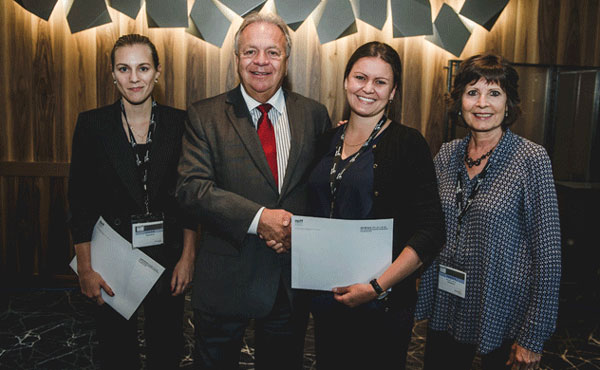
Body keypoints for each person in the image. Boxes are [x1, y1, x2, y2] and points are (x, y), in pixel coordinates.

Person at [176, 12, 331, 370]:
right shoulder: (205, 116)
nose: (261, 62)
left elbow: (322, 188)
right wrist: (261, 220)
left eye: (273, 52)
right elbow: (191, 188)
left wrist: (299, 231)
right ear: (236, 58)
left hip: (288, 281)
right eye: (250, 52)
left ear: (286, 60)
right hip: (225, 280)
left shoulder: (314, 115)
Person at [415, 53, 561, 370]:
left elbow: (548, 255)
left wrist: (533, 336)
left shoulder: (531, 159)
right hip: (448, 304)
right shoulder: (447, 153)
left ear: (508, 103)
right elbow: (425, 220)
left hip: (504, 311)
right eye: (472, 92)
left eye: (494, 93)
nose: (483, 103)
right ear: (460, 101)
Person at [306, 41, 445, 370]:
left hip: (381, 304)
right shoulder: (325, 140)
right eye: (360, 77)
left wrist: (376, 286)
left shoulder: (408, 144)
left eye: (380, 82)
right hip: (328, 297)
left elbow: (431, 230)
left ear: (393, 92)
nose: (368, 89)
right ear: (345, 81)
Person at [68, 34, 197, 370]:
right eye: (124, 69)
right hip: (112, 257)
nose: (134, 78)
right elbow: (79, 200)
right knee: (115, 351)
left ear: (157, 72)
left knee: (166, 347)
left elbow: (189, 198)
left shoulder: (180, 123)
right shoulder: (92, 124)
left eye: (143, 68)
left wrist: (188, 256)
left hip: (167, 255)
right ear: (112, 74)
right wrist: (85, 268)